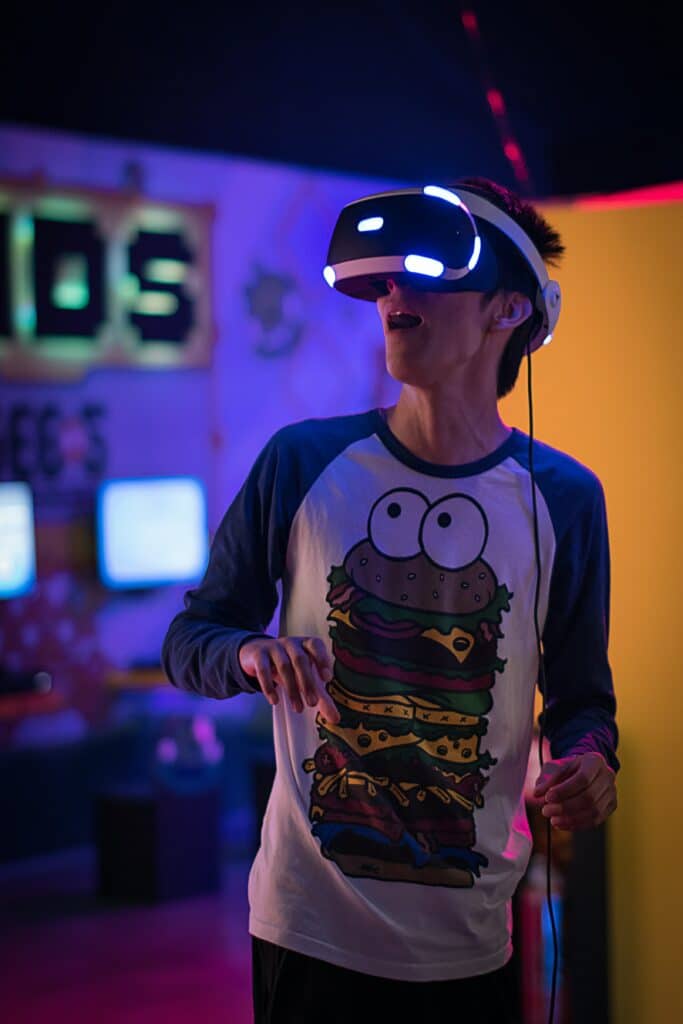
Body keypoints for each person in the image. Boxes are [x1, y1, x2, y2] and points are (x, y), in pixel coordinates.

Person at [161, 176, 619, 1024]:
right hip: (308, 928)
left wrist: (591, 762)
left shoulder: (563, 497)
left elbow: (583, 698)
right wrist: (249, 653)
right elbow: (192, 637)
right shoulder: (300, 464)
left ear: (506, 311)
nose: (391, 295)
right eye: (382, 281)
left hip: (471, 939)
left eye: (425, 274)